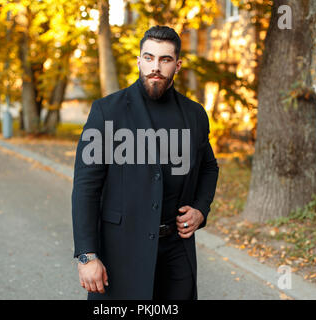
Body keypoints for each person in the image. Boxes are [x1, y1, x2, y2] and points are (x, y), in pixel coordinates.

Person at [71, 25, 219, 300]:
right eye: (149, 58)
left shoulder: (195, 115)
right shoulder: (106, 111)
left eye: (165, 60)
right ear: (139, 60)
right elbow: (85, 187)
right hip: (120, 252)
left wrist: (200, 208)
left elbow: (209, 166)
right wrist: (87, 255)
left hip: (176, 252)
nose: (156, 67)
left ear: (177, 65)